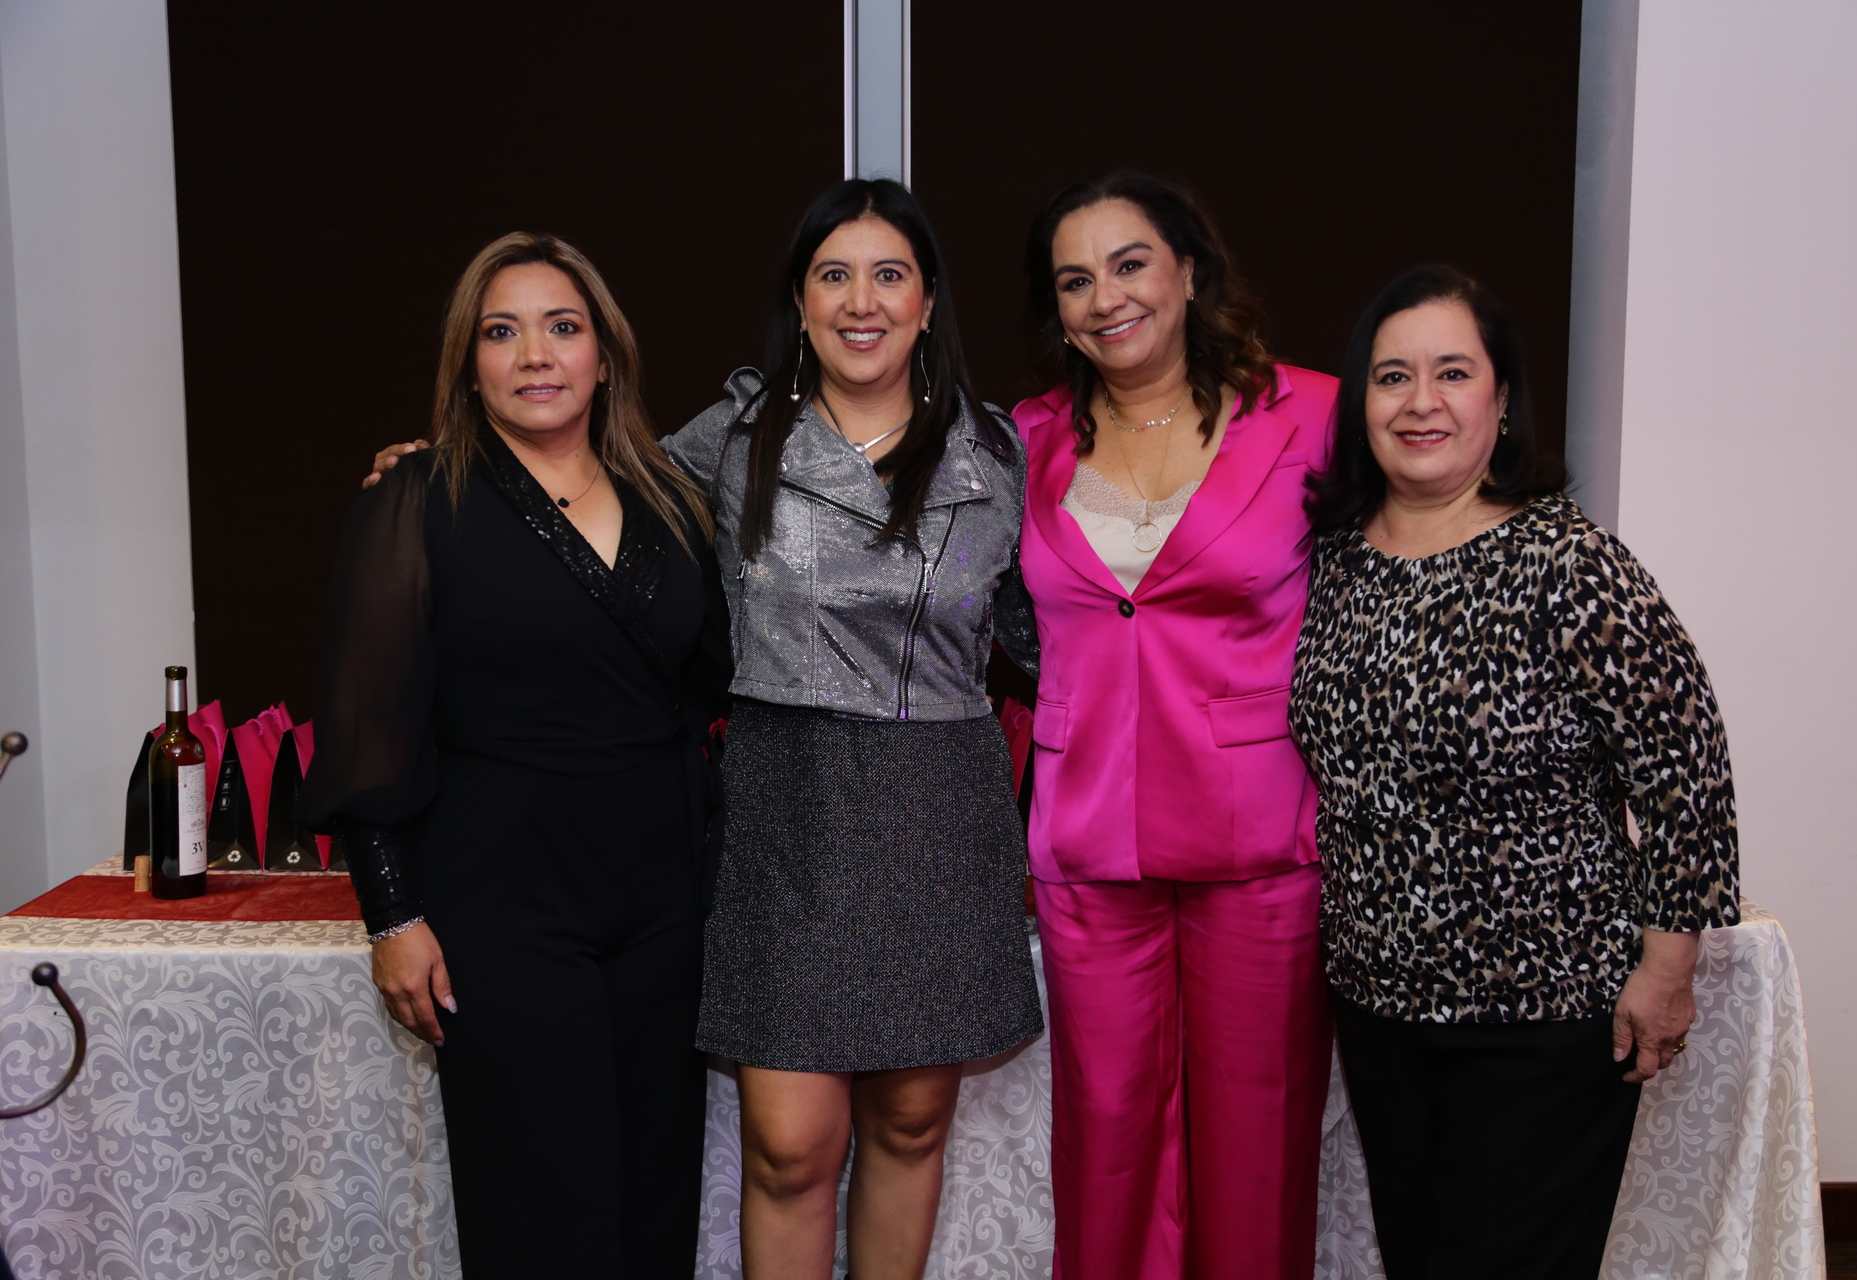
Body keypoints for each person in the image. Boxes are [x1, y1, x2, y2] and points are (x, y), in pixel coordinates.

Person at [1288, 264, 1741, 1278]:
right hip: (1379, 1004)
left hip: (1545, 1012)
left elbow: (1687, 769)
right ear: (1360, 402)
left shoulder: (1567, 561)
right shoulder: (1336, 561)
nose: (1421, 401)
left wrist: (1668, 970)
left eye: (1454, 371)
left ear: (1501, 398)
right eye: (1392, 375)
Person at [304, 232, 730, 1279]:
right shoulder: (412, 500)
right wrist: (393, 914)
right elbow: (368, 724)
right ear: (470, 360)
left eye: (562, 326)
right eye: (503, 331)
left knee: (655, 1194)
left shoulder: (675, 500)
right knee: (546, 1205)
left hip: (665, 901)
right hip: (505, 902)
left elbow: (713, 680)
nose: (535, 353)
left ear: (603, 354)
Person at [664, 178, 1043, 1280]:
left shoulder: (1001, 454)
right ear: (800, 298)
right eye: (835, 273)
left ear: (929, 303)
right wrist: (454, 474)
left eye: (890, 274)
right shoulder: (733, 436)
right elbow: (595, 497)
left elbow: (1073, 618)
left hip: (939, 801)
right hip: (789, 805)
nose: (861, 299)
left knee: (913, 1121)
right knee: (788, 1143)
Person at [1011, 171, 1336, 1280]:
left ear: (1190, 271)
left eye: (1130, 261)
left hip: (1261, 839)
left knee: (1257, 1143)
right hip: (1089, 838)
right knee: (1103, 1145)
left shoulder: (1315, 413)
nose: (1105, 295)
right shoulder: (1027, 438)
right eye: (1074, 278)